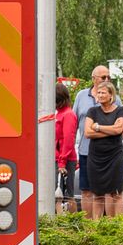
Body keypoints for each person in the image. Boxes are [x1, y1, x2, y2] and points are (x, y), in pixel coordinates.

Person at [73, 65, 118, 212]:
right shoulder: (81, 96)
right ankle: (89, 227)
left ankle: (109, 226)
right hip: (86, 151)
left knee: (109, 191)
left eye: (109, 77)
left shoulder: (116, 99)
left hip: (108, 153)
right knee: (86, 190)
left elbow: (121, 128)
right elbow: (74, 123)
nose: (107, 80)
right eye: (103, 77)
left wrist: (112, 142)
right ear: (93, 79)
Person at [82, 81, 123, 218]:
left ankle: (119, 225)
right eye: (99, 93)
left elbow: (120, 129)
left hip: (114, 157)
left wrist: (98, 127)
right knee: (97, 194)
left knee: (117, 193)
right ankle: (97, 227)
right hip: (96, 158)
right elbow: (87, 133)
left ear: (111, 95)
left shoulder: (120, 110)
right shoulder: (93, 111)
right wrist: (111, 131)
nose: (100, 95)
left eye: (103, 93)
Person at [54, 83, 77, 214]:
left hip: (65, 159)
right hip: (58, 158)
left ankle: (73, 220)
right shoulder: (58, 114)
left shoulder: (68, 114)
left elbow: (68, 140)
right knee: (57, 194)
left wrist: (62, 162)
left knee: (67, 194)